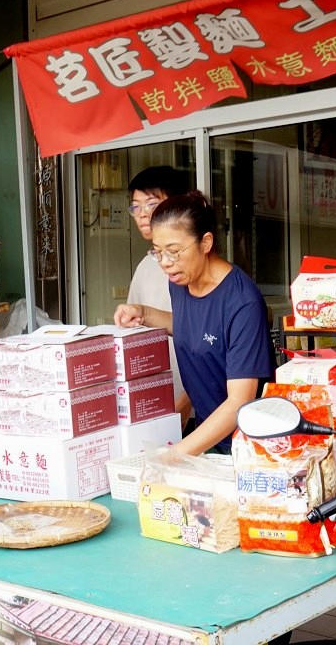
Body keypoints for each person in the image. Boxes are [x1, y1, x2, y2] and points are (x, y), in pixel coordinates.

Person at [114, 191, 275, 455]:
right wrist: (142, 312)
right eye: (158, 252)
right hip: (210, 439)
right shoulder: (180, 283)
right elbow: (194, 330)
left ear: (206, 242)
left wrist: (176, 454)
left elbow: (239, 402)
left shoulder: (242, 302)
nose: (165, 263)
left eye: (174, 252)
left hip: (255, 448)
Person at [125, 166, 193, 425]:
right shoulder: (145, 266)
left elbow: (209, 338)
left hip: (198, 404)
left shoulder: (192, 265)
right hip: (160, 405)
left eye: (151, 204)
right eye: (135, 207)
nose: (142, 214)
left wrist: (187, 401)